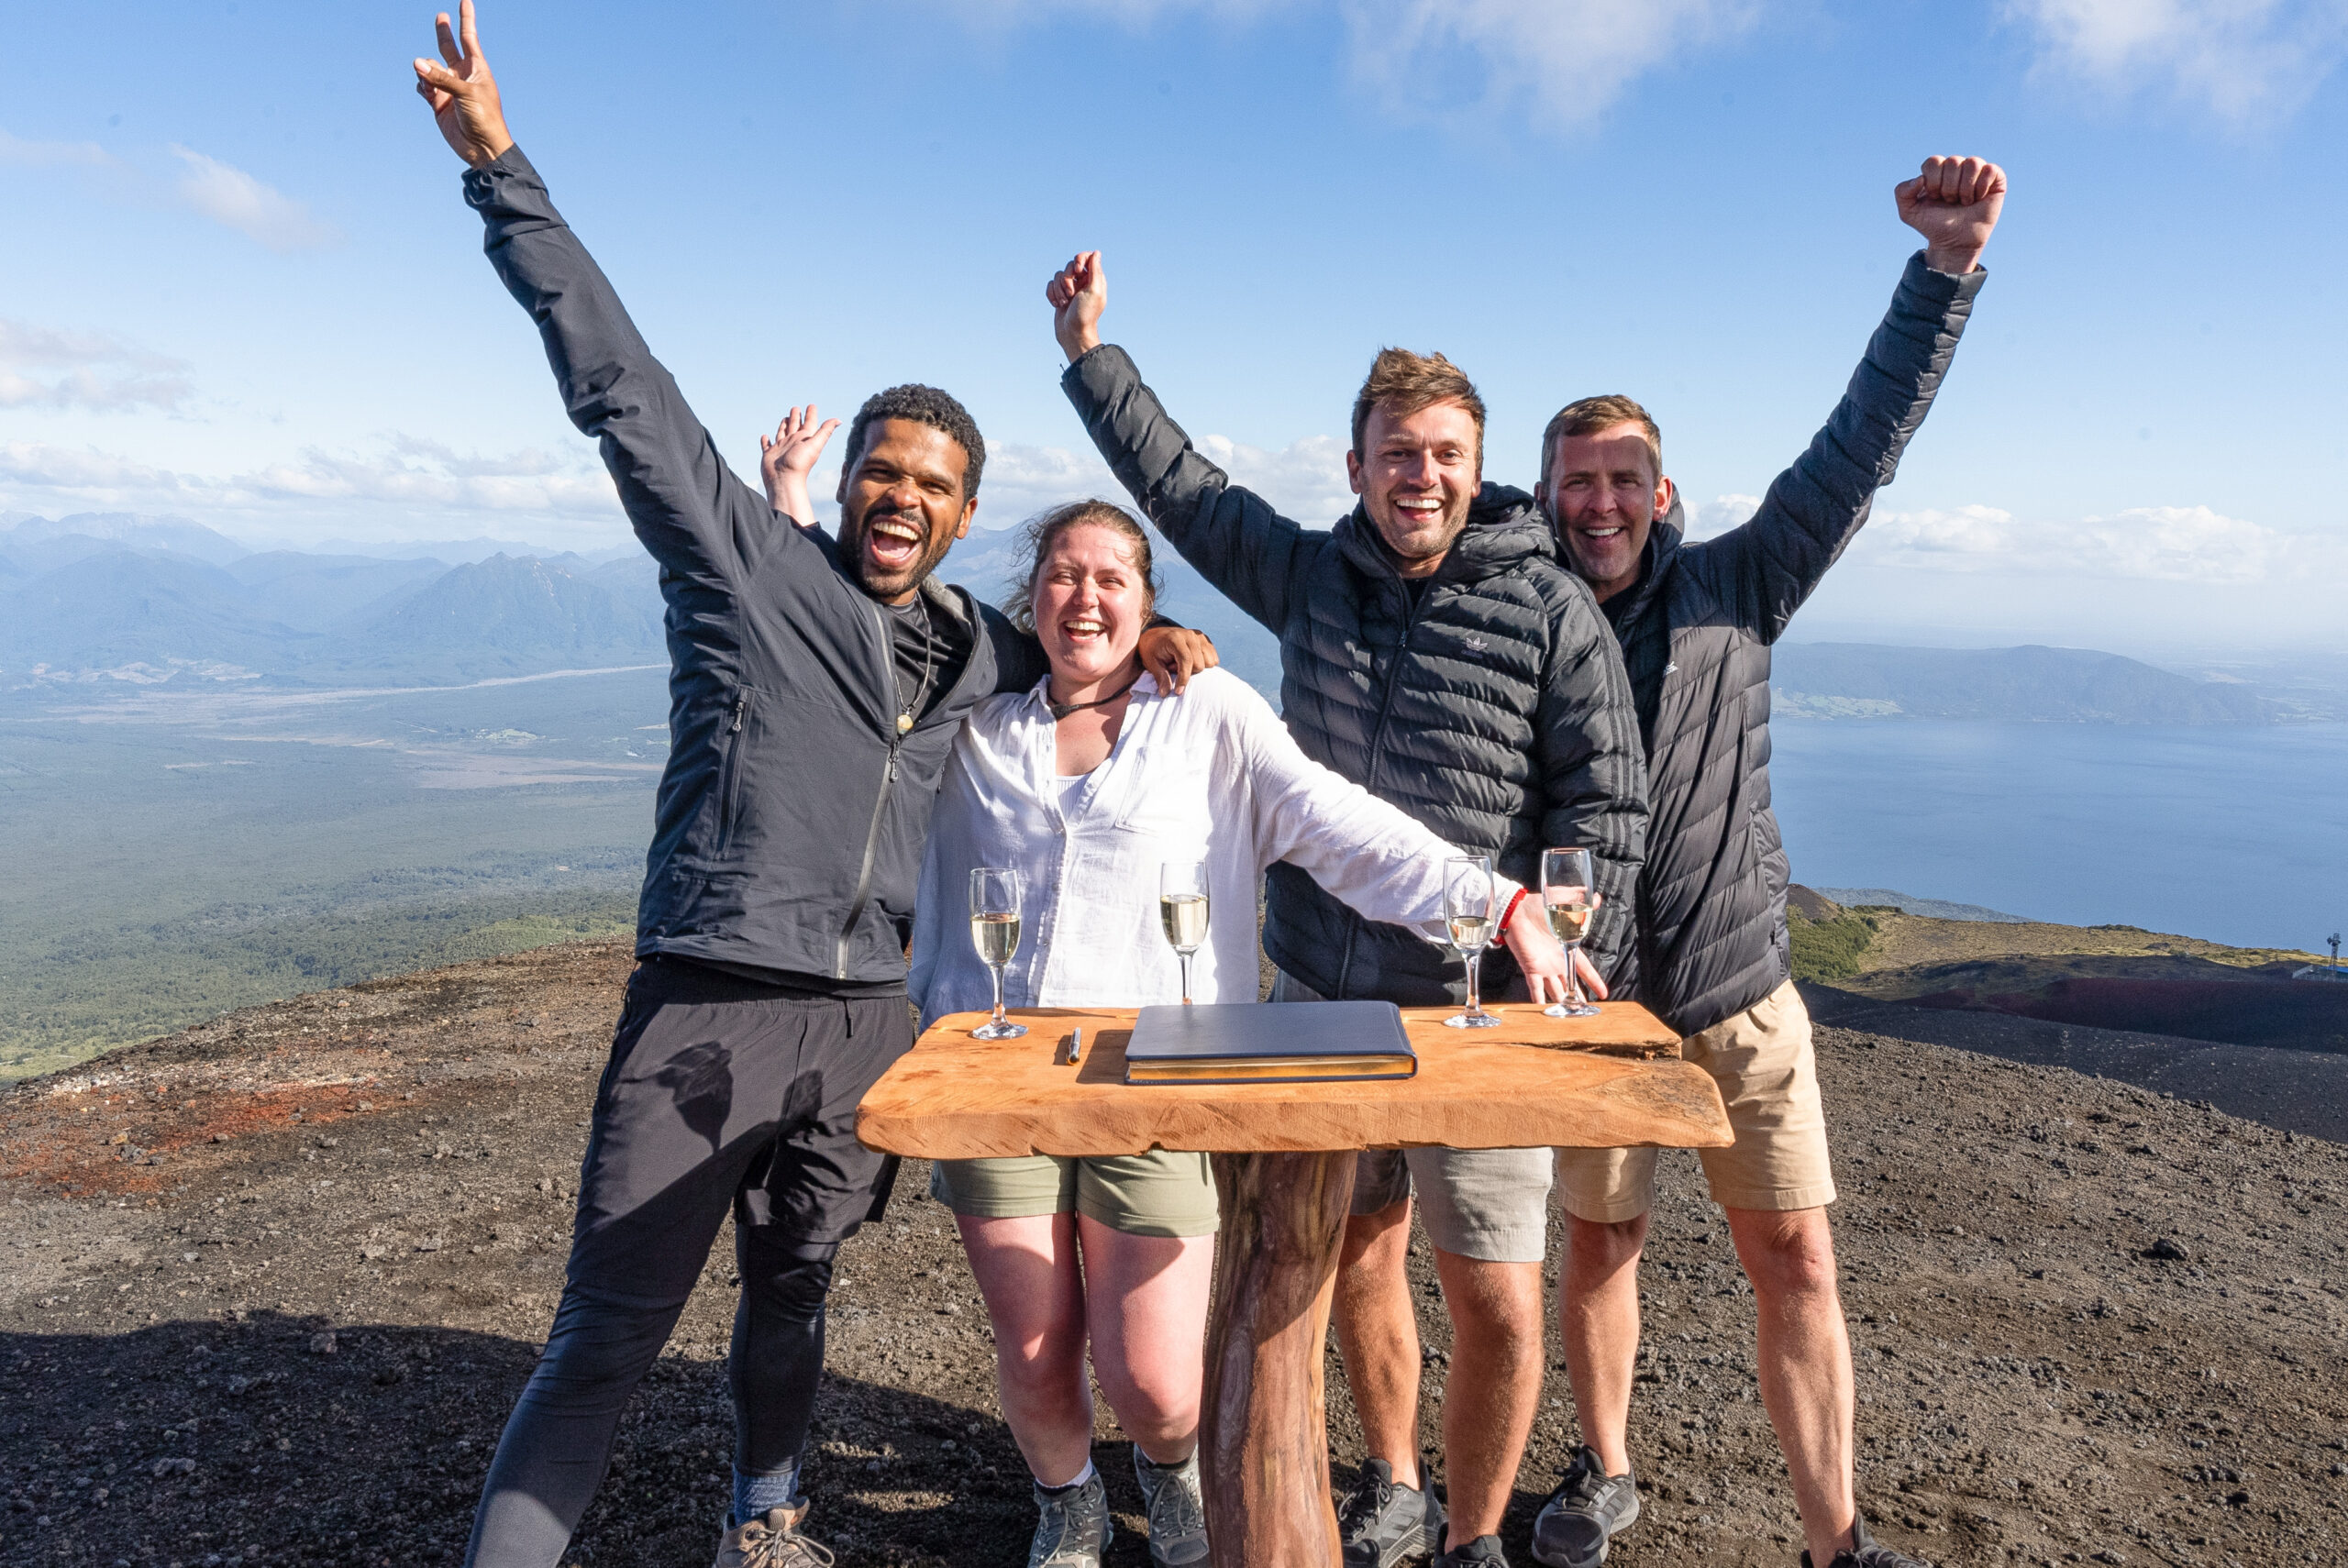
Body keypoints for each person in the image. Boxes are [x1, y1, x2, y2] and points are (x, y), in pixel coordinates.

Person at [406, 11, 1215, 1567]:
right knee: (607, 1334)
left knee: (798, 1286)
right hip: (709, 1004)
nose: (899, 494)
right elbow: (621, 387)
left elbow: (1076, 662)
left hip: (869, 1026)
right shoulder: (744, 568)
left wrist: (1164, 637)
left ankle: (765, 1517)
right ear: (844, 482)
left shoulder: (981, 650)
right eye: (879, 470)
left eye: (931, 483)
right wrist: (503, 170)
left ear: (963, 512)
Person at [1046, 258, 1648, 1568]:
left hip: (1478, 1007)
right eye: (1394, 453)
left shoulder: (1544, 603)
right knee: (1355, 1250)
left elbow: (1604, 792)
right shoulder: (1312, 573)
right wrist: (1094, 356)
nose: (1417, 475)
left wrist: (1564, 924)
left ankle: (1474, 1531)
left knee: (1492, 1287)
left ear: (1477, 466)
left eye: (1442, 453)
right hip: (1321, 983)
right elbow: (1185, 493)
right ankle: (1389, 1477)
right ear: (1360, 463)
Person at [905, 500, 1577, 1568]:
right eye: (1063, 577)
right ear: (1029, 597)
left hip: (1157, 1079)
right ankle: (1066, 1500)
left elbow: (1335, 822)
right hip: (1003, 1084)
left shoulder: (1203, 712)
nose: (1085, 599)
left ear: (1147, 600)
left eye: (1111, 580)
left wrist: (1496, 902)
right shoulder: (978, 723)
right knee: (1034, 1352)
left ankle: (1165, 1470)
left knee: (1159, 1381)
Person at [1525, 157, 2006, 1568]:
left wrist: (1946, 271)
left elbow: (1861, 446)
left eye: (1623, 480)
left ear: (1661, 490)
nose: (1601, 504)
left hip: (1741, 993)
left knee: (1796, 1257)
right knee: (1600, 1247)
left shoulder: (1741, 583)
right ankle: (1605, 1467)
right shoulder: (1527, 620)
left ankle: (1834, 1537)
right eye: (1578, 484)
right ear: (1549, 497)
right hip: (1599, 1011)